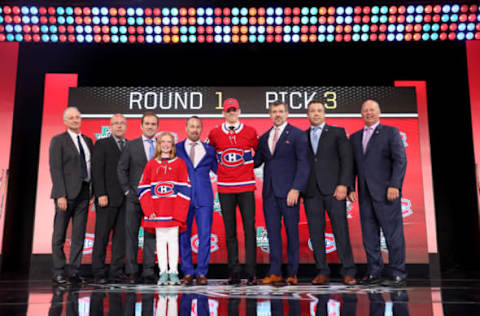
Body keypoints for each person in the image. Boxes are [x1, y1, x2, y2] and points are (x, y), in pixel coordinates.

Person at [349, 100, 407, 287]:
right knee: (369, 236)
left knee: (393, 235)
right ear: (361, 114)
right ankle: (374, 272)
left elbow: (400, 161)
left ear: (379, 112)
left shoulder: (391, 132)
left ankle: (398, 273)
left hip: (387, 193)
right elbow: (352, 167)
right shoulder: (355, 137)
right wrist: (350, 188)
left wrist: (394, 185)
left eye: (372, 110)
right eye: (365, 110)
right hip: (365, 194)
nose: (369, 113)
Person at [254, 100, 310, 285]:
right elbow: (255, 162)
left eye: (280, 111)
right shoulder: (263, 138)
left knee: (292, 232)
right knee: (273, 234)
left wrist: (296, 188)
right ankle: (275, 272)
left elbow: (304, 163)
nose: (277, 114)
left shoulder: (298, 135)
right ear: (269, 115)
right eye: (273, 111)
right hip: (269, 193)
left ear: (287, 114)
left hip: (289, 193)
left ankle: (292, 273)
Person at [303, 101, 357, 285]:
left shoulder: (337, 132)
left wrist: (345, 185)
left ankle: (348, 271)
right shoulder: (302, 136)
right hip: (311, 192)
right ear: (307, 115)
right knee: (316, 233)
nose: (316, 113)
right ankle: (322, 271)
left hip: (335, 191)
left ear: (324, 113)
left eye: (319, 111)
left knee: (341, 230)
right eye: (312, 111)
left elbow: (347, 160)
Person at [208, 98, 259, 285]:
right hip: (225, 188)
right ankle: (234, 272)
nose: (231, 113)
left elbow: (260, 153)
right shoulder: (214, 133)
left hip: (246, 186)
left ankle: (252, 272)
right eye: (228, 110)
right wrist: (219, 170)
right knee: (230, 231)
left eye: (234, 110)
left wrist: (249, 168)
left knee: (249, 229)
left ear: (239, 111)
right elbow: (209, 154)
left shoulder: (250, 131)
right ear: (223, 113)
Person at [138, 132, 191, 285]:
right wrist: (149, 210)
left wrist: (179, 212)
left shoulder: (180, 163)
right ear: (158, 144)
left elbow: (185, 188)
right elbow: (143, 188)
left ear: (173, 145)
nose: (166, 145)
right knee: (160, 242)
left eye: (169, 142)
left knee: (173, 241)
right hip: (157, 213)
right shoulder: (151, 164)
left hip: (173, 213)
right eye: (163, 142)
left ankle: (173, 272)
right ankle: (162, 272)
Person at [49, 106, 94, 284]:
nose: (75, 120)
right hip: (65, 194)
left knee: (78, 235)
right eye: (71, 118)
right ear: (65, 121)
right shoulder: (58, 140)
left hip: (84, 192)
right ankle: (59, 271)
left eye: (77, 117)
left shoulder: (88, 141)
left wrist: (93, 191)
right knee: (59, 234)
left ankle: (74, 271)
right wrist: (60, 194)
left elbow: (92, 167)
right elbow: (55, 168)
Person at [117, 112, 159, 283]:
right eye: (147, 123)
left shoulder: (162, 145)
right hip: (134, 198)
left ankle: (149, 271)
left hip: (155, 199)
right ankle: (132, 271)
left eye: (153, 124)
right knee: (131, 235)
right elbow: (121, 169)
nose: (150, 126)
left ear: (157, 127)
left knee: (151, 236)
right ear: (141, 126)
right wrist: (127, 191)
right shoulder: (131, 145)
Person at [176, 116, 217, 285]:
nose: (194, 130)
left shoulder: (210, 150)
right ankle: (187, 272)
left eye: (198, 127)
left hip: (204, 198)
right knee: (183, 236)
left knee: (205, 235)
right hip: (183, 197)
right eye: (192, 126)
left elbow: (221, 170)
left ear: (201, 129)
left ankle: (201, 272)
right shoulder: (176, 148)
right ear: (186, 128)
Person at [91, 113, 128, 284]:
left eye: (122, 123)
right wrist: (100, 193)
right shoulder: (102, 144)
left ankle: (116, 271)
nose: (119, 126)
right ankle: (98, 271)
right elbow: (97, 171)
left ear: (126, 126)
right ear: (110, 126)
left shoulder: (129, 145)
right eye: (116, 123)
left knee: (120, 238)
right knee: (102, 236)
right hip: (106, 198)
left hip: (125, 200)